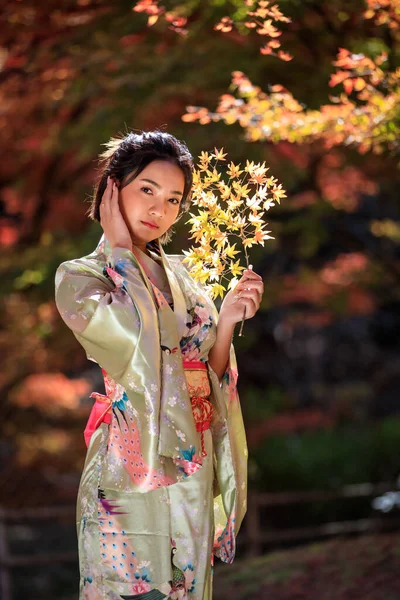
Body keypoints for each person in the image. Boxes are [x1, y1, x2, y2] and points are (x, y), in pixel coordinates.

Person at [55, 130, 263, 600]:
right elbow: (133, 345)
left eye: (173, 199)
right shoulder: (81, 277)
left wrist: (227, 320)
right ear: (113, 187)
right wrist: (121, 251)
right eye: (146, 189)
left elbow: (207, 371)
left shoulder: (184, 278)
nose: (159, 209)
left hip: (194, 457)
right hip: (132, 462)